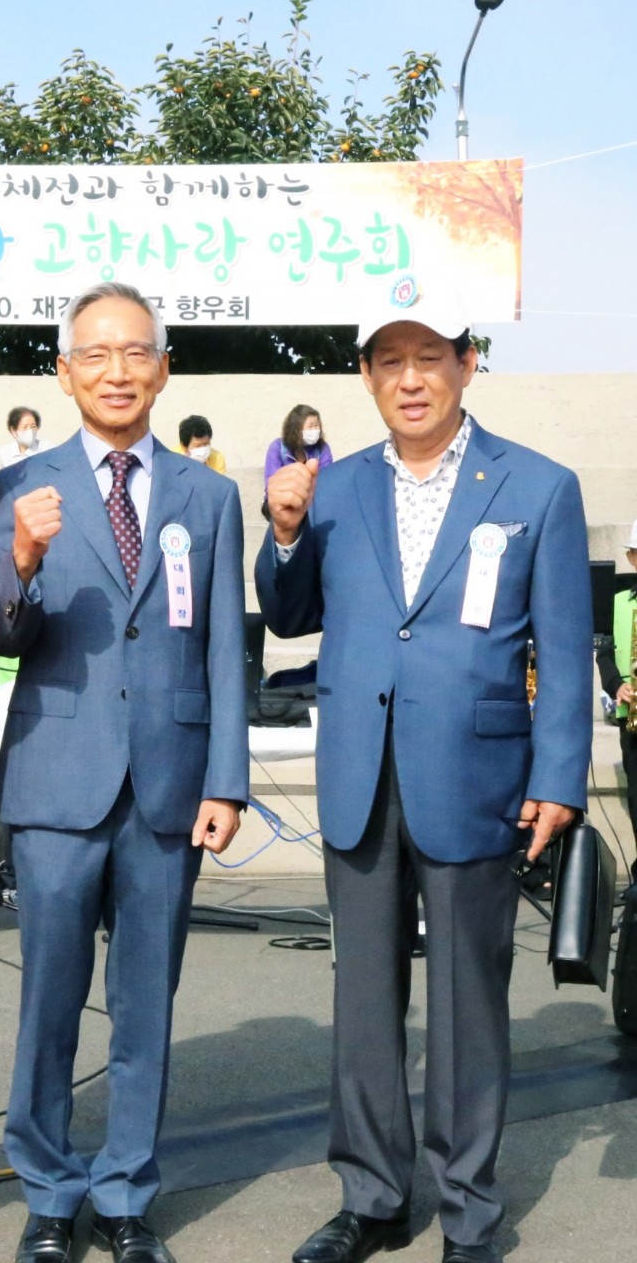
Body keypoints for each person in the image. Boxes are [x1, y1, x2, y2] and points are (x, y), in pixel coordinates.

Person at [255, 278, 592, 1263]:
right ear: (365, 376)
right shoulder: (334, 486)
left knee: (466, 1002)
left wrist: (558, 777)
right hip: (359, 773)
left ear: (465, 365)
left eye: (429, 357)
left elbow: (562, 649)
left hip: (476, 774)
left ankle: (467, 1211)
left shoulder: (536, 486)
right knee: (362, 999)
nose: (410, 379)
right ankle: (369, 1196)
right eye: (389, 361)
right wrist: (283, 534)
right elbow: (289, 616)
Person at [0, 281, 248, 1263]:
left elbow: (225, 648)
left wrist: (225, 779)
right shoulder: (17, 485)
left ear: (163, 367)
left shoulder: (208, 496)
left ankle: (127, 1190)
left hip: (169, 783)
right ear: (63, 372)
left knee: (145, 1003)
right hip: (57, 779)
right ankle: (50, 1194)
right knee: (49, 1000)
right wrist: (19, 557)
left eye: (136, 351)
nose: (116, 371)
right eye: (94, 354)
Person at [596, 520, 637, 874]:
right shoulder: (618, 602)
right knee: (636, 797)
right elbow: (605, 652)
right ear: (631, 558)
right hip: (631, 714)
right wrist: (616, 684)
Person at [263, 405, 332, 504]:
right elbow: (271, 482)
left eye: (316, 426)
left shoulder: (322, 448)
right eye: (310, 426)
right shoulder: (277, 447)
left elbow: (326, 478)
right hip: (281, 499)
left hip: (312, 499)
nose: (314, 430)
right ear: (296, 429)